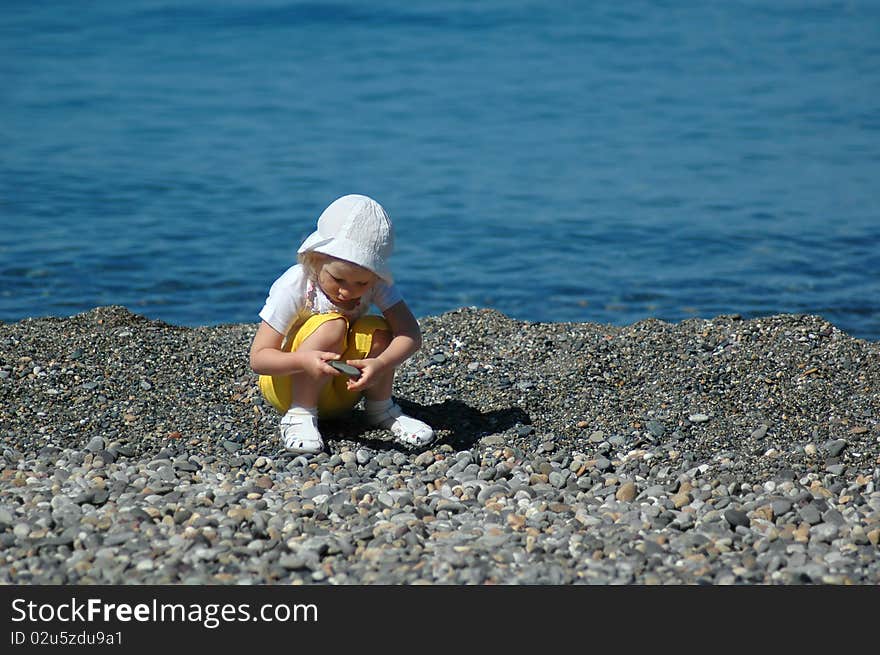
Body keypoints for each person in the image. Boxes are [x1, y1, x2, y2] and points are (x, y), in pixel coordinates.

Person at [249, 194, 435, 455]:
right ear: (315, 259)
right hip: (287, 384)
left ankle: (381, 409)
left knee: (378, 327)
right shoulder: (296, 284)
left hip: (343, 390)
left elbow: (410, 333)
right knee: (332, 325)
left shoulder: (375, 283)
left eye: (362, 284)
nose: (348, 292)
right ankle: (299, 415)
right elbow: (259, 359)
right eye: (338, 279)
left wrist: (380, 364)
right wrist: (303, 361)